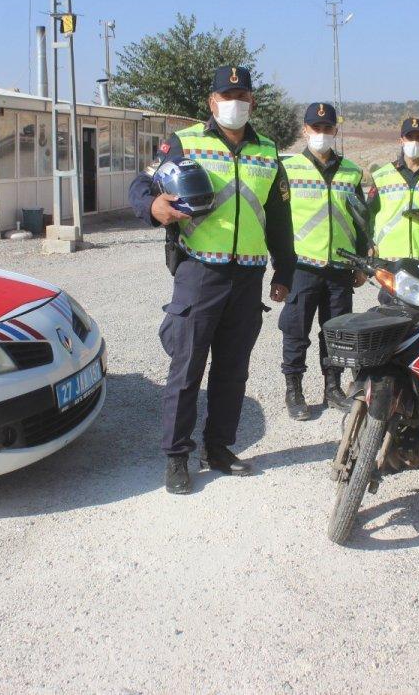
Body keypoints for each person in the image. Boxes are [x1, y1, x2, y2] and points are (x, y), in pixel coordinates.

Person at [129, 65, 295, 495]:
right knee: (186, 367)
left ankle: (219, 448)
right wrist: (153, 209)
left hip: (248, 275)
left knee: (233, 368)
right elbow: (141, 184)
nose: (234, 104)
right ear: (212, 102)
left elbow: (278, 217)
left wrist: (285, 269)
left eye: (241, 96)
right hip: (200, 270)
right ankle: (177, 457)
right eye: (226, 96)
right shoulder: (186, 142)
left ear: (252, 102)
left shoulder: (268, 150)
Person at [278, 103, 367, 420]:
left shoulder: (352, 171)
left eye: (328, 128)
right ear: (305, 130)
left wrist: (361, 262)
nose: (322, 134)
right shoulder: (287, 169)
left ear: (335, 131)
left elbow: (359, 221)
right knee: (295, 331)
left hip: (340, 269)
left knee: (336, 333)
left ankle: (333, 388)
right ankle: (294, 390)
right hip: (302, 267)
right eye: (316, 128)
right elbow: (277, 221)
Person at [368, 118, 419, 304]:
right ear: (401, 141)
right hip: (392, 260)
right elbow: (369, 214)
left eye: (418, 137)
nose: (414, 141)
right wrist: (369, 244)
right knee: (390, 320)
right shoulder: (382, 176)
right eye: (409, 137)